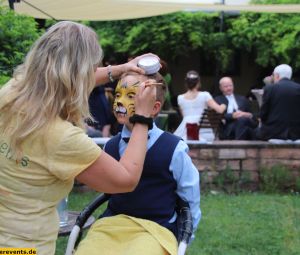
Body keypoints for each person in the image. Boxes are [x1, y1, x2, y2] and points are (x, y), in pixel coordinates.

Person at [0, 21, 158, 255]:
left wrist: (120, 69)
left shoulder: (12, 92)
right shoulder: (61, 137)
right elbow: (125, 180)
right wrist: (143, 117)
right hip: (23, 249)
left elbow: (63, 80)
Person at [75, 71, 201, 255]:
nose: (119, 101)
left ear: (154, 107)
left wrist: (185, 236)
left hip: (156, 228)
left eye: (131, 96)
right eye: (118, 94)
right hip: (112, 224)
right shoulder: (110, 146)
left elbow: (190, 195)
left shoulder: (174, 148)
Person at [174, 70, 226, 141]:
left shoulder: (180, 98)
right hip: (203, 130)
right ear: (198, 83)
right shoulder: (205, 95)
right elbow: (219, 110)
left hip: (186, 129)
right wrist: (223, 105)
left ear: (186, 83)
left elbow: (184, 116)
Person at [255, 64, 300, 141]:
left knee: (255, 132)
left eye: (273, 75)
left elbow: (263, 114)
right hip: (296, 133)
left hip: (274, 132)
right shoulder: (298, 88)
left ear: (277, 75)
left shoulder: (270, 88)